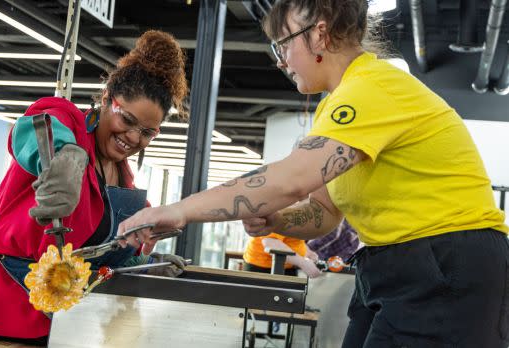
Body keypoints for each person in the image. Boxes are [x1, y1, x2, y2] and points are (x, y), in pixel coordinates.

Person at [116, 1, 509, 347]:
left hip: (447, 266)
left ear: (319, 34)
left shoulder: (371, 88)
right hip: (399, 266)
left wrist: (180, 210)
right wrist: (277, 218)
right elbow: (324, 211)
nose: (281, 60)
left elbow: (290, 179)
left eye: (284, 44)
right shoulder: (335, 107)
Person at [0, 30, 189, 342]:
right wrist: (63, 158)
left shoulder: (125, 182)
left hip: (66, 319)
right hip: (1, 312)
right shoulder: (67, 123)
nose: (135, 138)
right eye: (127, 120)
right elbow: (32, 130)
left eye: (147, 132)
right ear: (108, 98)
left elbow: (101, 268)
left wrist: (143, 266)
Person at [242, 232, 322, 277]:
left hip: (285, 267)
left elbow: (291, 240)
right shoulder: (282, 208)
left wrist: (308, 252)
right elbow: (270, 242)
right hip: (262, 269)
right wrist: (303, 263)